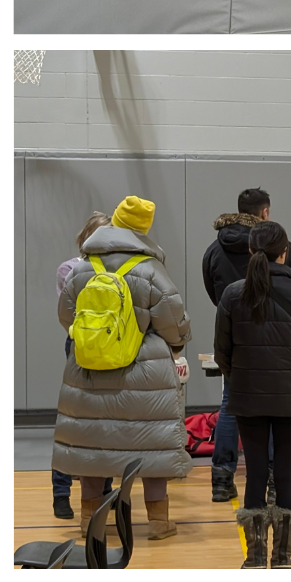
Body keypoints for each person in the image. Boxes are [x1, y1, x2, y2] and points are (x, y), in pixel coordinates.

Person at [53, 196, 192, 540]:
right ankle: (158, 522)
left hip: (89, 369)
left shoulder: (84, 267)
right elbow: (174, 321)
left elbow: (66, 315)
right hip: (145, 371)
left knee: (92, 446)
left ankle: (89, 519)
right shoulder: (150, 269)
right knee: (152, 446)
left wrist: (95, 340)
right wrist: (174, 345)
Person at [215, 221, 291, 569]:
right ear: (284, 252)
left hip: (248, 396)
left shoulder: (233, 293)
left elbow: (222, 353)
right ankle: (283, 557)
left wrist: (241, 378)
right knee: (286, 475)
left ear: (250, 250)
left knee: (256, 473)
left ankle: (255, 556)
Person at [202, 187, 291, 504]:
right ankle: (279, 483)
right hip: (285, 351)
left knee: (230, 406)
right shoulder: (282, 245)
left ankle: (222, 480)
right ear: (265, 212)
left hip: (240, 346)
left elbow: (213, 294)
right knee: (279, 409)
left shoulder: (214, 249)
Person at [51, 211, 112, 521]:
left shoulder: (118, 268)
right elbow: (70, 314)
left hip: (112, 347)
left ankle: (105, 491)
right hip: (80, 344)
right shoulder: (70, 269)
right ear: (86, 237)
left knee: (108, 421)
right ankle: (61, 492)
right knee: (72, 421)